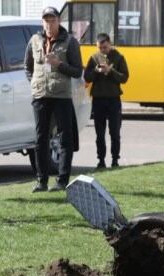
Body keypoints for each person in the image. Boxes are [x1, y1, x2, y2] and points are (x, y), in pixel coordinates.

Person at [24, 7, 83, 192]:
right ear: (42, 22)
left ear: (58, 21)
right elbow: (28, 67)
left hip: (61, 96)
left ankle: (62, 180)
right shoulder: (35, 40)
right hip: (40, 95)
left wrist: (59, 65)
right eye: (46, 20)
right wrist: (35, 82)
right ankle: (41, 180)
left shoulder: (70, 41)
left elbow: (77, 71)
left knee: (65, 138)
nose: (49, 24)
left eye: (52, 20)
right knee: (40, 138)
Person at [84, 33, 129, 169]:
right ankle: (101, 160)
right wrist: (96, 71)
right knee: (99, 133)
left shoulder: (119, 57)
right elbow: (87, 77)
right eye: (100, 48)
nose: (102, 50)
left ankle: (115, 159)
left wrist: (111, 71)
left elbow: (124, 78)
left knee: (114, 131)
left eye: (104, 47)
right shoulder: (93, 58)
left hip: (113, 99)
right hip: (98, 100)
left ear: (110, 43)